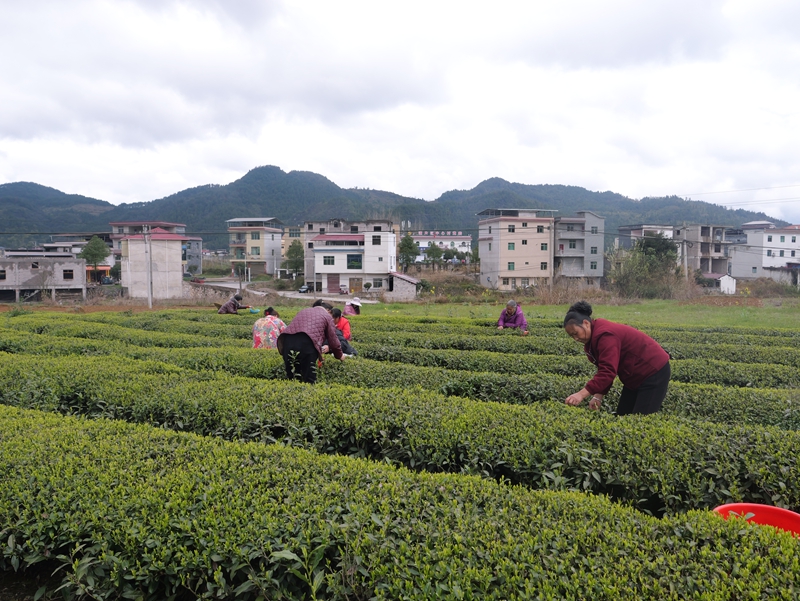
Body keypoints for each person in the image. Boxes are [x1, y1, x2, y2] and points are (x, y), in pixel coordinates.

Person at [563, 300, 671, 415]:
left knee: (641, 421)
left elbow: (608, 372)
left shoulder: (605, 335)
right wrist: (598, 397)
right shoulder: (593, 338)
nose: (575, 338)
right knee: (623, 415)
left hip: (653, 372)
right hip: (634, 376)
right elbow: (604, 368)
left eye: (575, 333)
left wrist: (580, 395)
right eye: (571, 336)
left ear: (586, 323)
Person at [277, 304, 345, 383]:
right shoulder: (327, 316)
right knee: (309, 380)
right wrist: (339, 355)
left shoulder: (304, 311)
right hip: (307, 343)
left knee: (292, 377)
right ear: (328, 310)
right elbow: (333, 340)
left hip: (287, 341)